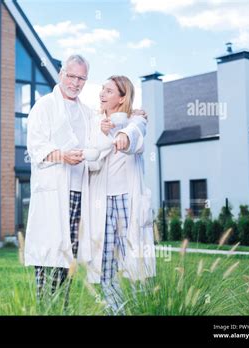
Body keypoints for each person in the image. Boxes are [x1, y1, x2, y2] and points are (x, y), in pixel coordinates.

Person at [24, 54, 94, 305]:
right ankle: (45, 307)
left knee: (68, 256)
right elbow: (36, 148)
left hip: (78, 192)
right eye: (71, 76)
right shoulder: (44, 107)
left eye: (82, 78)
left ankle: (61, 306)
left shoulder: (88, 113)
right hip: (53, 192)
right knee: (48, 252)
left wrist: (133, 115)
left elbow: (104, 135)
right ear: (61, 74)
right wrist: (63, 156)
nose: (75, 83)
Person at [84, 75, 156, 315]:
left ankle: (140, 309)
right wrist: (102, 134)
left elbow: (135, 135)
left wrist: (123, 134)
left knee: (135, 261)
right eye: (102, 90)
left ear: (122, 97)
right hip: (102, 203)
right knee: (105, 262)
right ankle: (117, 311)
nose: (102, 94)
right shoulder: (95, 123)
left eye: (109, 91)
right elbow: (91, 161)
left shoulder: (135, 120)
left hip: (128, 199)